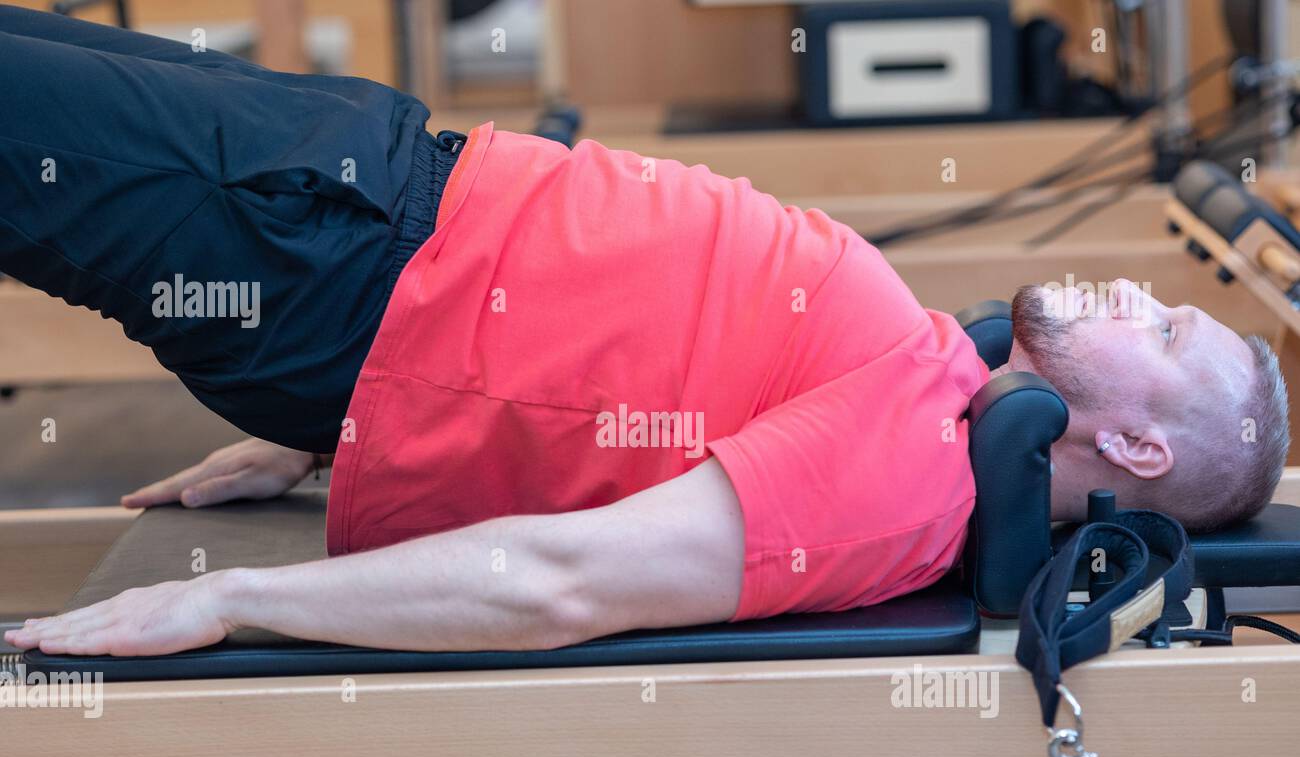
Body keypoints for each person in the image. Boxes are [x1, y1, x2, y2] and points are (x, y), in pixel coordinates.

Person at [1, 7, 1288, 659]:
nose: (1143, 297)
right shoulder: (937, 382)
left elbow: (564, 578)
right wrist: (322, 445)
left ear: (1137, 446)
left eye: (1170, 332)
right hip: (368, 179)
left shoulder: (897, 480)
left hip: (320, 249)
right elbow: (624, 386)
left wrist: (232, 600)